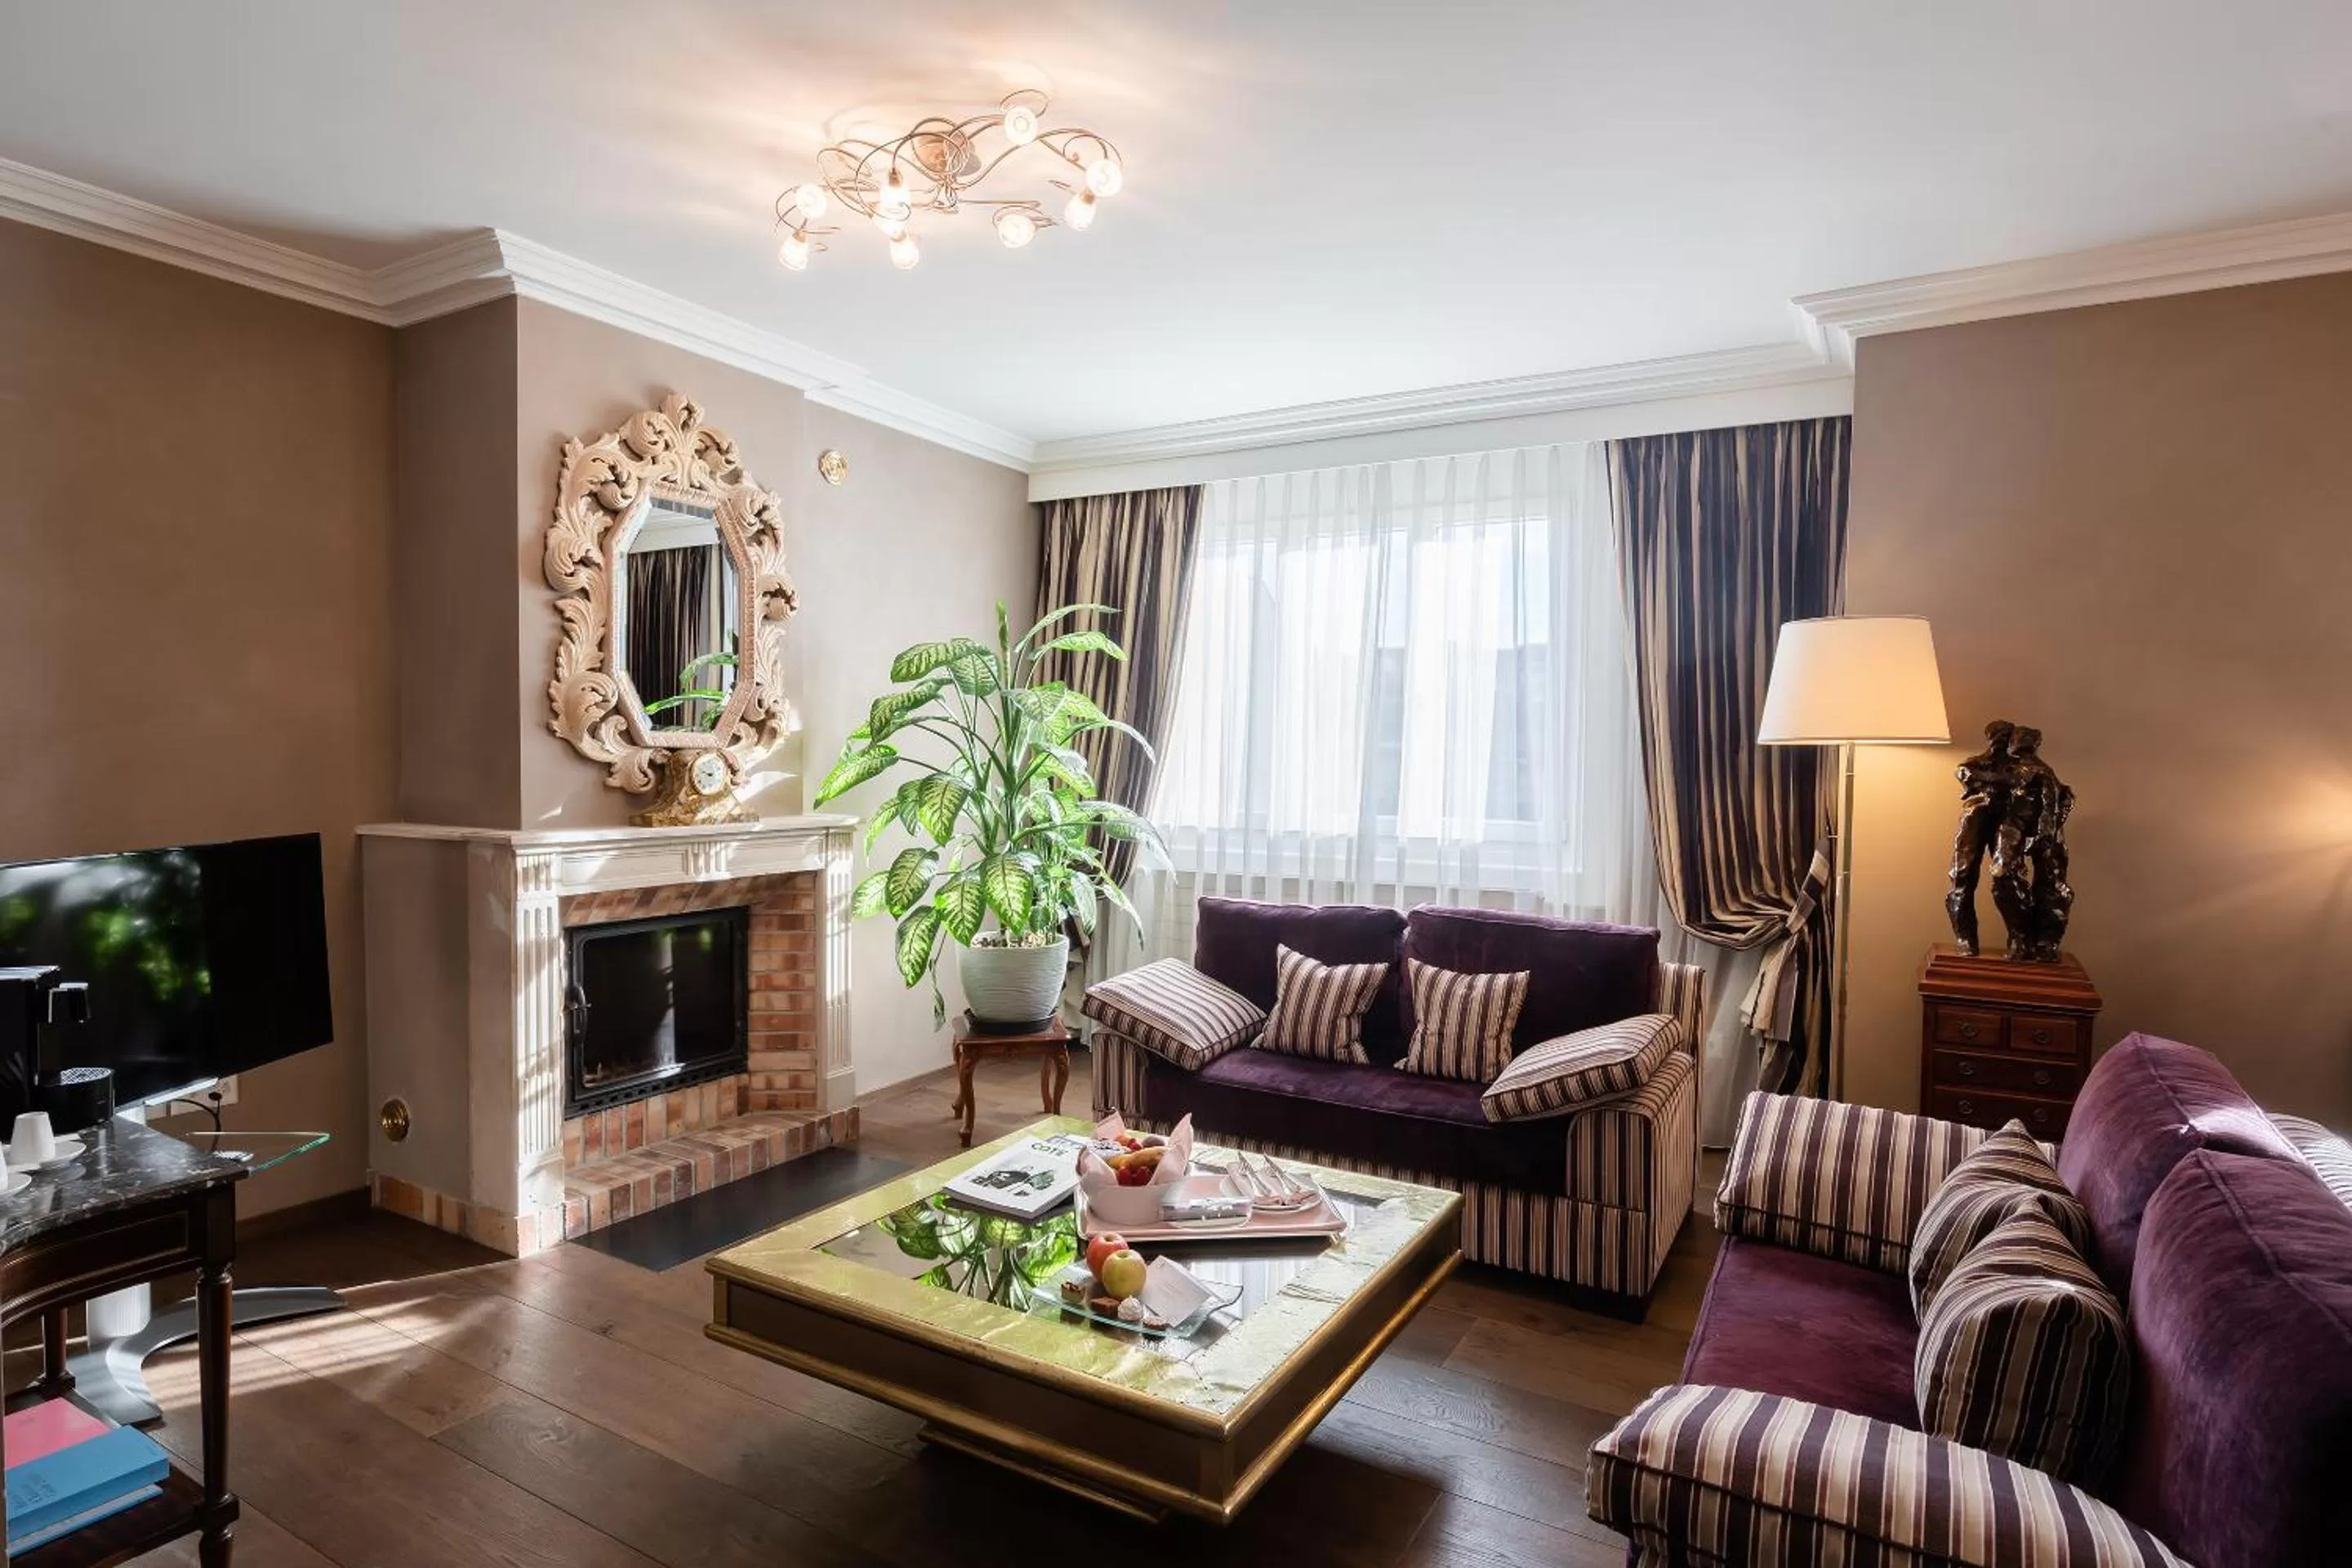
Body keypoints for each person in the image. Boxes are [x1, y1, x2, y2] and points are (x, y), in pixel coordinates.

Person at [1944, 720, 2016, 955]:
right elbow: (1962, 772)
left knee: (2007, 878)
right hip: (1976, 817)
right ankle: (1965, 938)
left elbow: (2023, 783)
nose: (2001, 740)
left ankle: (2019, 940)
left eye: (2006, 736)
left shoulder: (2018, 767)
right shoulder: (1974, 762)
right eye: (1997, 735)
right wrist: (1997, 780)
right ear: (1988, 737)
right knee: (1962, 876)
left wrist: (1987, 780)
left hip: (2006, 821)